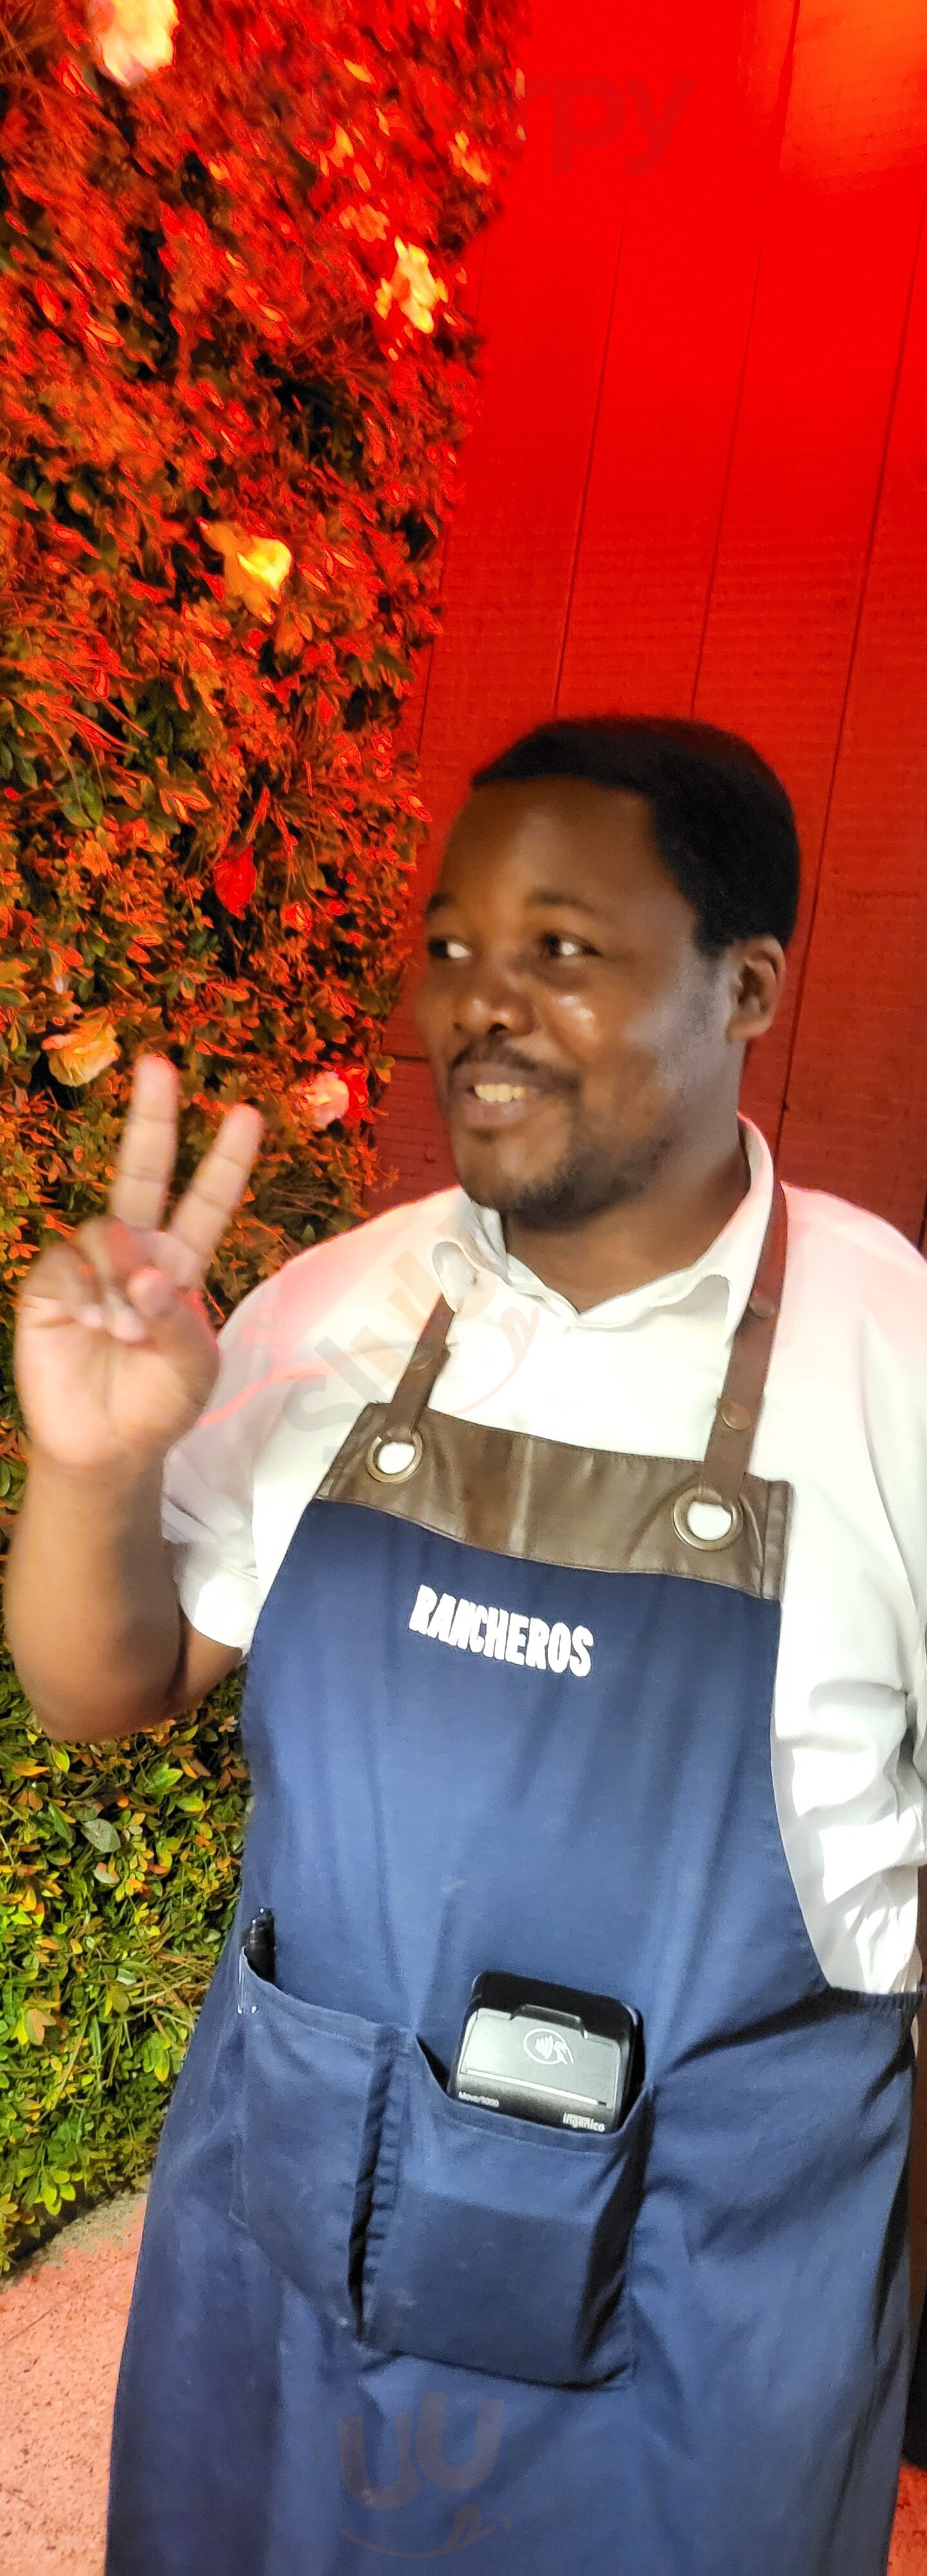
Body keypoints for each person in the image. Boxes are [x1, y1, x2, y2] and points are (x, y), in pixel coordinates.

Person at [7, 714, 927, 2575]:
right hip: (279, 2284)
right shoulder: (332, 1310)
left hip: (695, 2343)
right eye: (453, 946)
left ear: (747, 986)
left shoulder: (889, 1367)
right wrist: (91, 1465)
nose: (479, 1005)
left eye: (561, 947)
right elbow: (101, 1690)